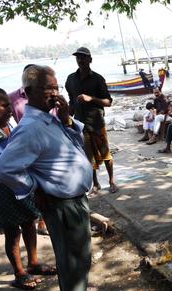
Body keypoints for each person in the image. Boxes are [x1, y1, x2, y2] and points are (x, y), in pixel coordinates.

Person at [0, 65, 93, 291]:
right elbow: (4, 168)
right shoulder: (30, 128)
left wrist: (67, 119)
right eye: (48, 88)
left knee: (79, 265)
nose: (55, 93)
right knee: (73, 266)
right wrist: (34, 187)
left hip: (75, 201)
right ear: (29, 91)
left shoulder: (51, 119)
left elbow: (77, 144)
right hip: (63, 205)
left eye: (56, 87)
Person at [0, 87, 57, 290]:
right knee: (12, 231)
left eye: (9, 105)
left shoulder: (9, 126)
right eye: (4, 105)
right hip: (3, 190)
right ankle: (19, 272)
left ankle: (33, 263)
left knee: (30, 222)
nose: (9, 109)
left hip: (22, 184)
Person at [65, 47, 118, 194]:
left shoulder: (98, 79)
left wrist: (92, 99)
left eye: (83, 57)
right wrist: (68, 110)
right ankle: (95, 183)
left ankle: (111, 180)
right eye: (78, 58)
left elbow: (108, 102)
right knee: (88, 156)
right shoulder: (70, 79)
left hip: (97, 123)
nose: (80, 60)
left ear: (90, 59)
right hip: (80, 124)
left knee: (105, 153)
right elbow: (71, 100)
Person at [8, 64, 49, 236]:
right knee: (36, 184)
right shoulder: (12, 97)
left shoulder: (45, 95)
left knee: (46, 184)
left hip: (46, 143)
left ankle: (43, 221)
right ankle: (37, 218)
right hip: (27, 145)